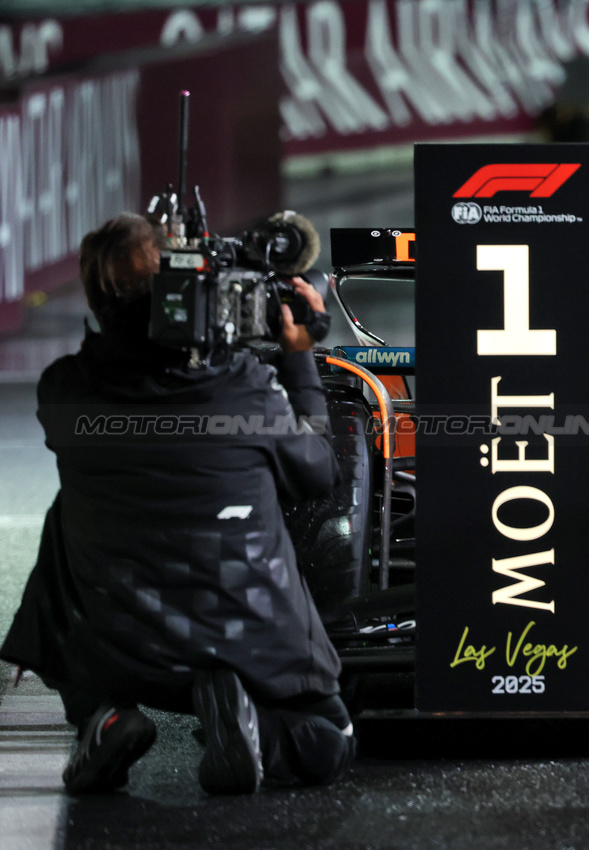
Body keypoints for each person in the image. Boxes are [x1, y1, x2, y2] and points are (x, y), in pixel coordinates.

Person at [1, 213, 355, 795]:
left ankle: (100, 714)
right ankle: (255, 727)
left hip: (118, 646)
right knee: (329, 740)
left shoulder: (63, 390)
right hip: (250, 643)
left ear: (95, 299)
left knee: (68, 511)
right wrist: (297, 356)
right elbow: (318, 470)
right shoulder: (243, 387)